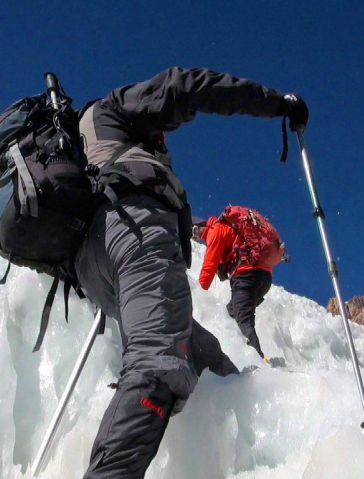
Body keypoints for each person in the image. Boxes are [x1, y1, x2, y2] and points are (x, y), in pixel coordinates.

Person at [73, 67, 308, 478]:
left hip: (91, 261)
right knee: (157, 365)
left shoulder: (82, 143)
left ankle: (233, 403)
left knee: (201, 352)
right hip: (134, 226)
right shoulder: (118, 108)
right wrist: (275, 104)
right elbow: (187, 85)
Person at [193, 213, 286, 360]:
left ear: (201, 225)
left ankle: (259, 359)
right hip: (264, 277)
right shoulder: (228, 228)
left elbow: (209, 264)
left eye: (195, 232)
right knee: (233, 311)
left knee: (243, 318)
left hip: (246, 275)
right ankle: (244, 354)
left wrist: (198, 292)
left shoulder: (215, 229)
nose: (196, 237)